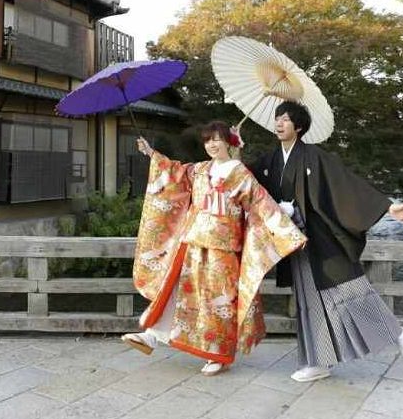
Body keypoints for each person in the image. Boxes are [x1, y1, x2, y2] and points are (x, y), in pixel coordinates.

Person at [251, 101, 403, 382]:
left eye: (285, 119)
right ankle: (318, 362)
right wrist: (231, 152)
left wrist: (388, 207)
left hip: (321, 240)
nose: (279, 123)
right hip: (294, 243)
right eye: (277, 119)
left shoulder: (314, 156)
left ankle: (398, 333)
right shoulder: (270, 161)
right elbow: (245, 181)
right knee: (308, 302)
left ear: (298, 126)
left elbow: (345, 184)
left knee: (350, 291)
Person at [121, 121, 307, 376]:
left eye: (217, 139)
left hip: (224, 247)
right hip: (195, 240)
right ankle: (153, 335)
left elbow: (261, 203)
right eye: (207, 140)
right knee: (177, 290)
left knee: (218, 300)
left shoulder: (240, 174)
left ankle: (218, 353)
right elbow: (174, 172)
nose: (211, 144)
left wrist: (287, 232)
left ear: (229, 143)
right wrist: (152, 153)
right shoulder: (200, 170)